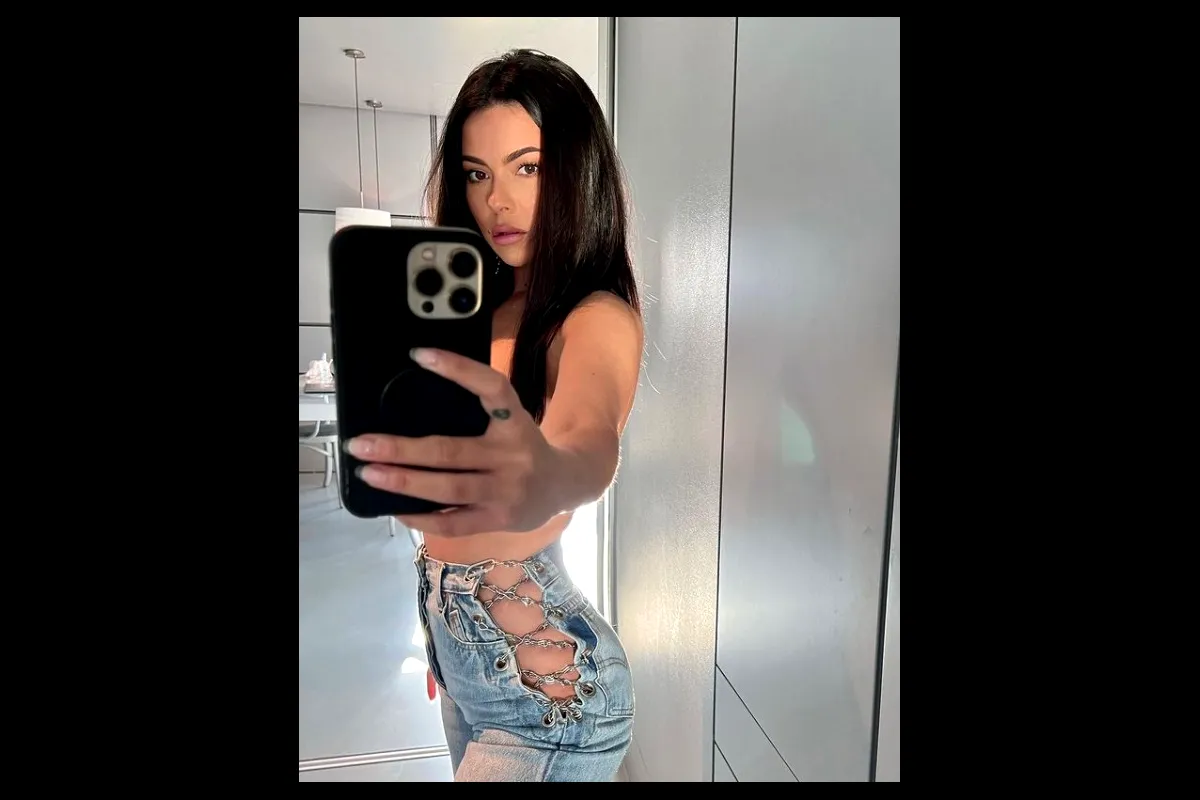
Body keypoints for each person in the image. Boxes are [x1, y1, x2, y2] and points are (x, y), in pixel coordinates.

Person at [342, 49, 644, 782]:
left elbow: (588, 436)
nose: (497, 201)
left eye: (527, 167)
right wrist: (450, 642)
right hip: (474, 665)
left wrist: (549, 476)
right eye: (476, 174)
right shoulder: (481, 310)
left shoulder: (594, 315)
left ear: (577, 173)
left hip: (552, 703)